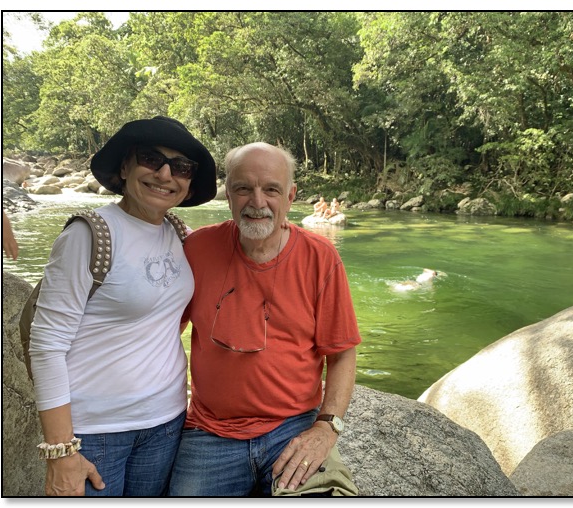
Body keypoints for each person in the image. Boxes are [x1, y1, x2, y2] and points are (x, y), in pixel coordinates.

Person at [29, 116, 217, 496]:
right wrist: (61, 450)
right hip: (95, 432)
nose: (165, 174)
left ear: (188, 183)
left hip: (166, 422)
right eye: (152, 159)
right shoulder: (89, 234)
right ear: (125, 166)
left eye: (180, 167)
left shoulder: (181, 235)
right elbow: (46, 344)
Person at [168, 142, 361, 496]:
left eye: (270, 189)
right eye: (244, 188)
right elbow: (161, 333)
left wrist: (327, 427)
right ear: (228, 195)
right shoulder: (196, 250)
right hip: (210, 434)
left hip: (293, 428)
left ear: (290, 196)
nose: (257, 202)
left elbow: (342, 353)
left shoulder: (321, 257)